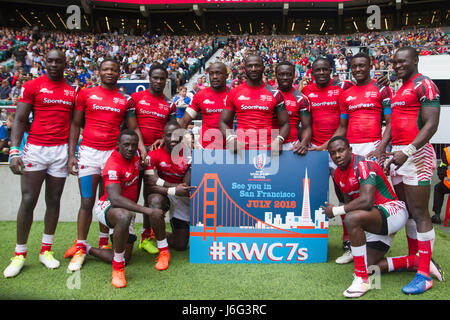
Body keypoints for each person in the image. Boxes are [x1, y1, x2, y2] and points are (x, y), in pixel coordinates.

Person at [323, 136, 443, 298]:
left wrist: (335, 211)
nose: (337, 155)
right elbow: (350, 204)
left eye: (341, 150)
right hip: (374, 219)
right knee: (370, 265)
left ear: (350, 150)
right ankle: (414, 261)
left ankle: (361, 280)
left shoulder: (363, 165)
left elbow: (366, 201)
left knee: (352, 218)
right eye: (333, 153)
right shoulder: (338, 175)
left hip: (393, 211)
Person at [66, 58, 146, 272]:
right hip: (89, 154)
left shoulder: (125, 100)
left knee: (107, 201)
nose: (109, 72)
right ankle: (81, 247)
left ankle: (103, 243)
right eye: (105, 69)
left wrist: (143, 148)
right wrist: (71, 154)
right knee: (86, 200)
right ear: (99, 72)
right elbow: (75, 124)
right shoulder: (85, 94)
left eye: (113, 69)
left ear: (120, 73)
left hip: (113, 154)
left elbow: (134, 128)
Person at [3, 49, 76, 278]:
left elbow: (75, 126)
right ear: (44, 62)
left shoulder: (72, 91)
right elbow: (21, 119)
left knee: (53, 200)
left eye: (58, 61)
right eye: (50, 61)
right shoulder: (33, 86)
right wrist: (14, 151)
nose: (54, 65)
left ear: (65, 63)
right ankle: (20, 254)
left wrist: (72, 153)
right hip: (35, 149)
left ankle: (46, 250)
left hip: (60, 151)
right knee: (28, 200)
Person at [384, 46, 441, 294]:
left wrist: (407, 151)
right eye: (395, 62)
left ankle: (424, 274)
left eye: (403, 61)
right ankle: (414, 258)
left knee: (420, 214)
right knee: (407, 212)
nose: (398, 65)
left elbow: (431, 125)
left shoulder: (425, 84)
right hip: (398, 155)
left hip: (415, 155)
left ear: (416, 60)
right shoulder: (400, 88)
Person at [83, 129, 163, 288]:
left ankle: (87, 249)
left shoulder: (136, 156)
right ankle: (117, 270)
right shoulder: (112, 164)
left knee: (125, 257)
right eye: (126, 145)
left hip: (127, 209)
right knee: (124, 216)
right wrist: (148, 211)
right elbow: (115, 199)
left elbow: (146, 161)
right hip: (108, 206)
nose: (130, 148)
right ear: (118, 145)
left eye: (134, 145)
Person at [128, 63, 177, 255]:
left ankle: (146, 236)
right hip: (135, 155)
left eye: (161, 78)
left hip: (154, 157)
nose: (158, 81)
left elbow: (171, 130)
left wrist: (161, 141)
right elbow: (131, 126)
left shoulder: (169, 104)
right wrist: (141, 149)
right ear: (149, 78)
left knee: (150, 195)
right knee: (131, 195)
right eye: (155, 78)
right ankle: (128, 234)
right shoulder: (136, 98)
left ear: (166, 81)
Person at [144, 120, 193, 270]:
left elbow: (184, 187)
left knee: (180, 245)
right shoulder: (153, 153)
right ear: (162, 137)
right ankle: (163, 250)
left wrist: (160, 182)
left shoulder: (190, 153)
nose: (172, 139)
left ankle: (160, 232)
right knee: (154, 200)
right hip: (166, 194)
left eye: (176, 135)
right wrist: (172, 189)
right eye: (168, 135)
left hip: (182, 198)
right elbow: (149, 183)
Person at [219, 54, 289, 152]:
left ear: (263, 68)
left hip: (268, 149)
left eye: (257, 65)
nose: (253, 69)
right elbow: (223, 122)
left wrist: (279, 140)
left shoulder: (276, 94)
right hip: (241, 149)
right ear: (244, 68)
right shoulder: (234, 93)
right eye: (250, 66)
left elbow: (285, 123)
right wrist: (231, 139)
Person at [179, 62, 229, 149]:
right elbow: (184, 121)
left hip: (229, 149)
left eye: (218, 73)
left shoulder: (234, 95)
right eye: (211, 73)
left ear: (227, 76)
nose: (214, 76)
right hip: (204, 148)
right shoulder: (200, 95)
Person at [272, 61, 310, 153]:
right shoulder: (268, 96)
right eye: (281, 74)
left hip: (292, 146)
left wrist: (303, 143)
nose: (285, 77)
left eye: (288, 75)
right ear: (276, 76)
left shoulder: (301, 98)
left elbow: (306, 127)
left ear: (294, 76)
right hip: (270, 143)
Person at [431, 145, 450, 224]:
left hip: (448, 184)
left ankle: (437, 215)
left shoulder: (448, 151)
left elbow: (442, 169)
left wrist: (443, 178)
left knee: (438, 188)